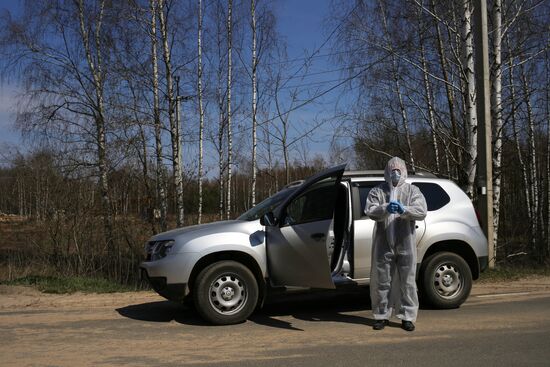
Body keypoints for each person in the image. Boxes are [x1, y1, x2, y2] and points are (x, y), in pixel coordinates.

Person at [365, 157, 427, 331]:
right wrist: (385, 208)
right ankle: (381, 315)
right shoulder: (377, 191)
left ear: (404, 172)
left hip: (405, 242)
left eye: (399, 170)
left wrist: (404, 210)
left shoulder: (412, 191)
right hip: (383, 244)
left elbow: (421, 211)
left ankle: (408, 317)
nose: (395, 173)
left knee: (407, 281)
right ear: (387, 172)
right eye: (392, 170)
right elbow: (370, 210)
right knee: (381, 280)